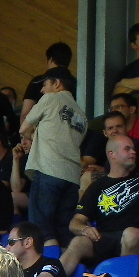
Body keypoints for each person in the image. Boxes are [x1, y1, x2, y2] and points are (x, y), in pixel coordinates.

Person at [59, 135, 139, 277]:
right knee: (78, 242)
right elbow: (75, 222)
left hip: (135, 239)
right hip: (103, 239)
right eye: (127, 149)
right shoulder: (96, 187)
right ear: (112, 154)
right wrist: (84, 229)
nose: (133, 152)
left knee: (131, 234)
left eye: (133, 149)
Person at [21, 69, 87, 246]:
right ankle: (62, 261)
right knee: (63, 229)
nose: (42, 90)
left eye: (45, 85)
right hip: (72, 177)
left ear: (57, 83)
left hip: (48, 170)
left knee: (41, 229)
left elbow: (23, 128)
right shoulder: (82, 115)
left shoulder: (50, 99)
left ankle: (49, 262)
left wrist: (34, 136)